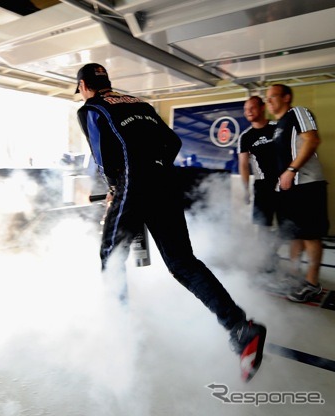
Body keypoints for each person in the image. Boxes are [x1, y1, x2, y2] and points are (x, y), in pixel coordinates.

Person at [75, 63, 266, 382]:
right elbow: (173, 142)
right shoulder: (141, 104)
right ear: (107, 81)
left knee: (111, 258)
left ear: (83, 86)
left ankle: (119, 337)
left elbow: (105, 154)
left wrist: (115, 187)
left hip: (132, 182)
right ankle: (240, 327)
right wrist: (157, 168)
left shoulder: (91, 108)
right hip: (164, 182)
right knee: (182, 262)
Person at [265, 84, 329, 302]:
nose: (269, 102)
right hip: (289, 187)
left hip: (307, 184)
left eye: (273, 97)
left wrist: (291, 170)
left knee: (310, 235)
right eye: (267, 99)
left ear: (286, 97)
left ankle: (312, 284)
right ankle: (294, 277)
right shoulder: (278, 126)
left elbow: (313, 140)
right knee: (294, 234)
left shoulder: (298, 112)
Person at [237, 96, 279, 272]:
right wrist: (246, 189)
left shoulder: (277, 128)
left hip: (285, 183)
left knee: (289, 226)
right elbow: (243, 165)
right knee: (263, 226)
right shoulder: (246, 136)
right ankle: (265, 261)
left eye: (252, 108)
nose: (248, 112)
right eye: (246, 109)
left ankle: (279, 257)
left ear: (262, 108)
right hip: (262, 186)